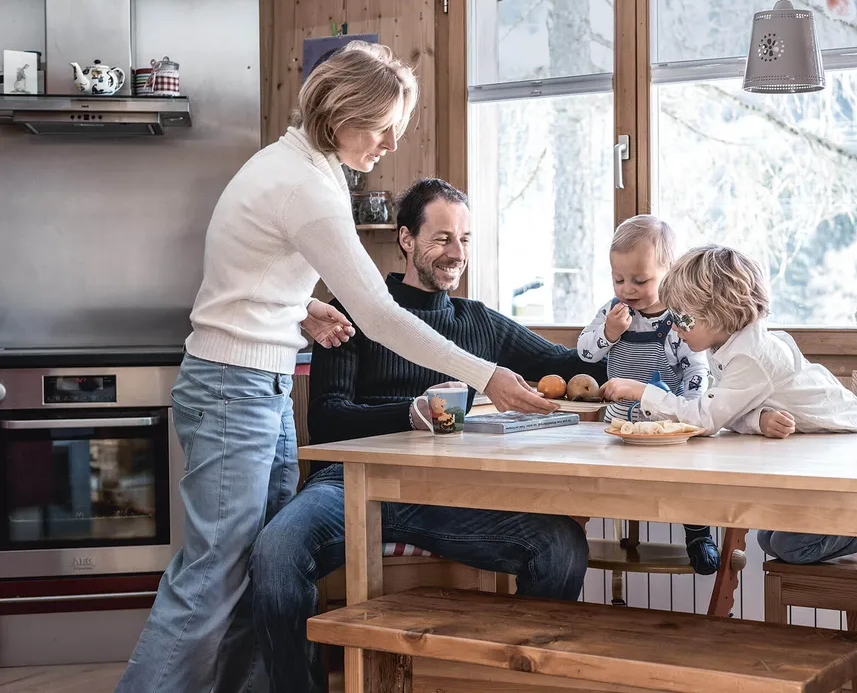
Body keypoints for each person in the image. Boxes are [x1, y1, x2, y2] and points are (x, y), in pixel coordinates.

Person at [114, 44, 554, 693]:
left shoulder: (300, 167)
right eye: (381, 128)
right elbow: (378, 314)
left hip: (256, 386)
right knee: (210, 579)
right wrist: (485, 374)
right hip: (234, 393)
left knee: (245, 576)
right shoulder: (305, 183)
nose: (387, 144)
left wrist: (303, 306)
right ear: (343, 110)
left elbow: (252, 268)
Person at [249, 178, 605, 693]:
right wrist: (410, 413)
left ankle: (509, 682)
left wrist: (614, 333)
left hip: (447, 496)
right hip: (348, 486)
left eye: (464, 239)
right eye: (441, 238)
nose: (455, 253)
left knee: (561, 547)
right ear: (407, 240)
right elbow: (327, 420)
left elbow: (568, 364)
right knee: (275, 553)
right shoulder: (353, 309)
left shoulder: (478, 321)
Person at [600, 244, 857, 568]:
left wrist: (644, 392)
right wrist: (757, 420)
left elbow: (705, 420)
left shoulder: (751, 354)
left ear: (717, 314)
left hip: (852, 447)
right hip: (824, 448)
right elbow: (725, 411)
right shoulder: (725, 346)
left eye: (680, 317)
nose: (674, 325)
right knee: (769, 539)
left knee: (789, 546)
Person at [576, 215, 718, 574]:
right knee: (587, 474)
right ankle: (570, 530)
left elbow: (697, 367)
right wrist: (608, 333)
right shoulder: (613, 312)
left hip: (665, 427)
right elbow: (585, 353)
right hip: (619, 423)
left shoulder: (679, 320)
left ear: (668, 273)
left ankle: (698, 532)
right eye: (618, 279)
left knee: (687, 476)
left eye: (640, 280)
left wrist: (687, 409)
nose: (628, 289)